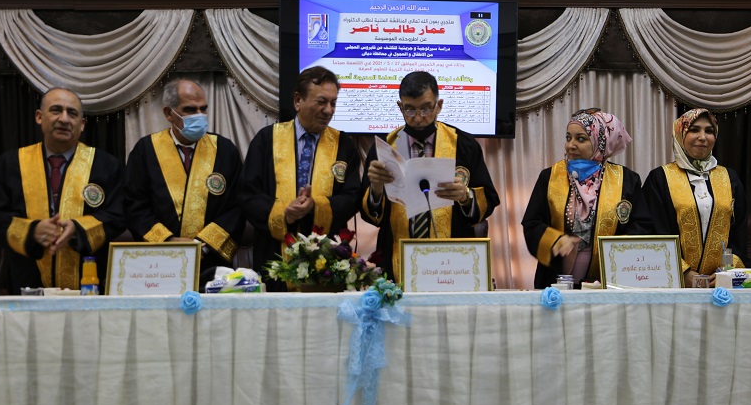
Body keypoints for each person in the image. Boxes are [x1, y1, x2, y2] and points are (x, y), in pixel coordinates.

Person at [0, 87, 124, 293]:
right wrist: (32, 230)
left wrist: (78, 229)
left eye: (72, 113)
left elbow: (118, 215)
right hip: (26, 284)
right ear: (39, 116)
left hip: (89, 286)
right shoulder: (11, 164)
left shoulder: (106, 165)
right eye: (56, 110)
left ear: (82, 124)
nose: (64, 119)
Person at [362, 71, 500, 280]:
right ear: (400, 107)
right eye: (410, 109)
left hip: (451, 261)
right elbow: (370, 214)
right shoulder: (384, 148)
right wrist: (376, 189)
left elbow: (489, 200)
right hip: (396, 255)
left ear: (439, 105)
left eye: (426, 108)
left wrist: (466, 197)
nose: (418, 118)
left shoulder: (464, 145)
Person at [240, 66, 361, 288]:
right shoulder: (267, 140)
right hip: (274, 254)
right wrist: (284, 213)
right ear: (298, 100)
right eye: (321, 102)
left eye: (333, 103)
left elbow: (352, 197)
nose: (329, 110)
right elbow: (248, 194)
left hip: (328, 260)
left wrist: (316, 205)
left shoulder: (344, 145)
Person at [124, 79, 245, 283]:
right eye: (189, 110)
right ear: (168, 113)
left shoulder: (225, 150)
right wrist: (169, 241)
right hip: (160, 264)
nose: (199, 115)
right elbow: (134, 205)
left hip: (212, 262)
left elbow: (237, 206)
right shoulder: (146, 151)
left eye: (203, 109)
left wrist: (202, 246)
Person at [522, 109, 648, 289]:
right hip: (556, 286)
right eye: (568, 138)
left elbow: (641, 226)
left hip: (608, 286)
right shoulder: (550, 177)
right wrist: (555, 240)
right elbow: (532, 223)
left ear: (600, 141)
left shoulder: (626, 180)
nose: (570, 145)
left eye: (580, 139)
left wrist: (614, 250)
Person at [642, 108, 748, 287]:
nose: (702, 137)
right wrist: (682, 271)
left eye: (709, 131)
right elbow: (652, 232)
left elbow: (739, 233)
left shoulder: (729, 178)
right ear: (680, 134)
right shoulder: (660, 178)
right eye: (694, 130)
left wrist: (727, 271)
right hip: (673, 283)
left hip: (721, 284)